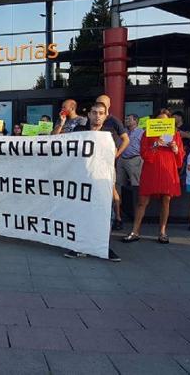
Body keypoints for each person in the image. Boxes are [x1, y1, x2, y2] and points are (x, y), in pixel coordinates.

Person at [65, 102, 121, 262]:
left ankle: (104, 246)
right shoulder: (79, 131)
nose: (97, 116)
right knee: (81, 213)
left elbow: (113, 154)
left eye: (101, 113)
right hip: (82, 179)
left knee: (104, 213)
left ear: (105, 115)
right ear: (89, 114)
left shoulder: (110, 134)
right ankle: (80, 246)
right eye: (94, 112)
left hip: (102, 179)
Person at [122, 109, 184, 244]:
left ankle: (162, 232)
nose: (162, 122)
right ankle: (135, 231)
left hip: (168, 168)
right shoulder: (147, 133)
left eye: (165, 120)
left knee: (166, 201)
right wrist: (156, 144)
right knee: (142, 201)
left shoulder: (175, 134)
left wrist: (175, 149)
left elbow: (180, 157)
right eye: (159, 120)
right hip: (151, 169)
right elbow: (143, 153)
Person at [95, 95, 130, 230]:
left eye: (103, 104)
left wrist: (116, 154)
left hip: (108, 162)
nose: (100, 106)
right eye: (98, 103)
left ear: (108, 106)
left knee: (112, 189)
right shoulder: (92, 119)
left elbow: (126, 139)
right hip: (95, 161)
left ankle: (118, 217)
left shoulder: (114, 121)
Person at [115, 114, 144, 230]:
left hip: (135, 159)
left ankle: (136, 215)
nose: (126, 121)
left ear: (136, 121)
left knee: (136, 187)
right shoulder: (124, 131)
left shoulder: (141, 132)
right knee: (117, 185)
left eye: (129, 119)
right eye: (126, 118)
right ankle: (118, 214)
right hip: (122, 159)